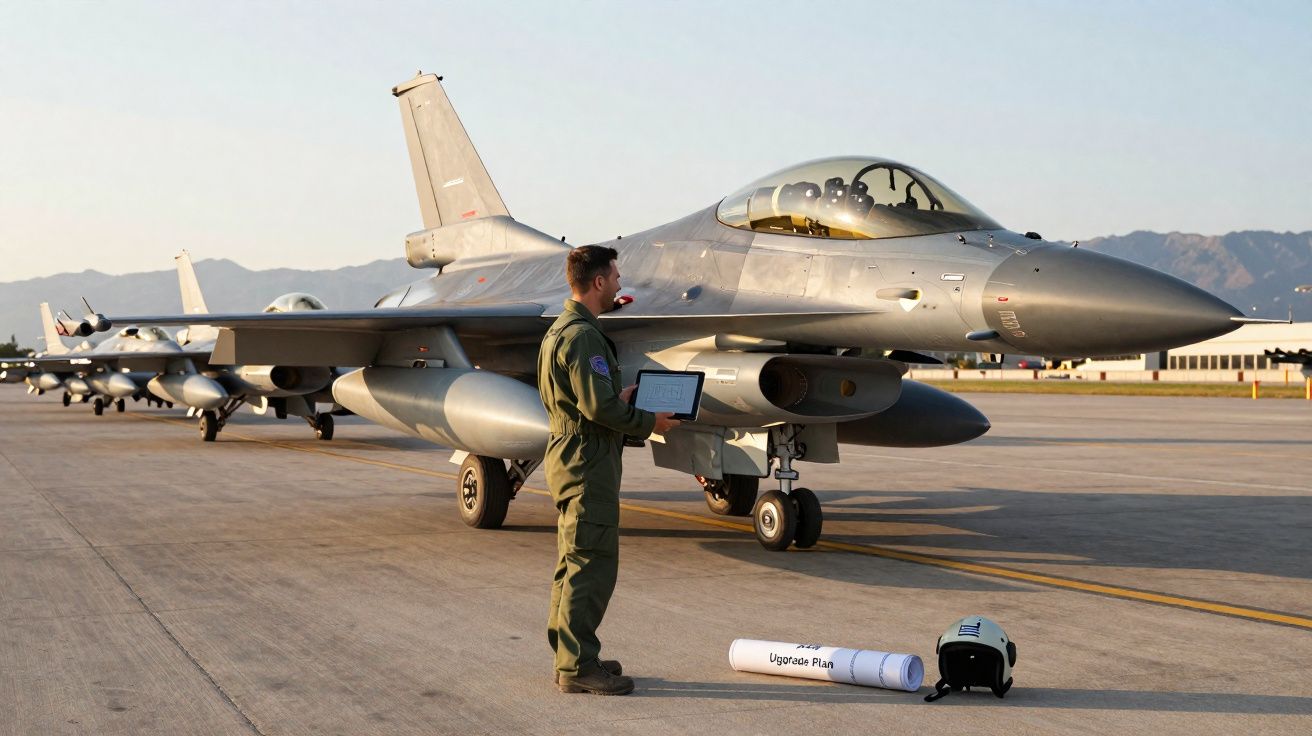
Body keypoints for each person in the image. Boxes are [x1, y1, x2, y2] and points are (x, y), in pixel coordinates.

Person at [537, 245, 680, 695]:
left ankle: (573, 657)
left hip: (571, 454)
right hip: (587, 461)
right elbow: (595, 408)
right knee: (592, 563)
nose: (620, 282)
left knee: (574, 560)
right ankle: (578, 667)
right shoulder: (583, 336)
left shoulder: (561, 330)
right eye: (615, 275)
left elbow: (583, 401)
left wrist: (620, 398)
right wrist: (648, 421)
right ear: (598, 282)